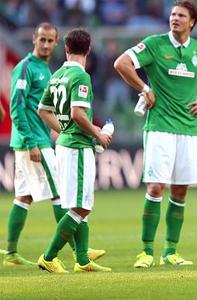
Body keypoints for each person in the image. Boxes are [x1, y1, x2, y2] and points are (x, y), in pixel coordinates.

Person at [114, 0, 197, 268]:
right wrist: (143, 88)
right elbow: (121, 63)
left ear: (192, 22)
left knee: (181, 192)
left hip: (189, 130)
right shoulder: (155, 44)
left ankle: (170, 251)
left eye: (181, 15)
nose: (175, 18)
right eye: (172, 14)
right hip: (159, 128)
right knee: (156, 186)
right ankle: (146, 251)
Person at [4, 23, 105, 266]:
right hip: (34, 141)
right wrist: (31, 142)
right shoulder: (27, 67)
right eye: (42, 40)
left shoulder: (52, 71)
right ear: (33, 39)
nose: (46, 44)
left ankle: (11, 253)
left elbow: (43, 109)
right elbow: (16, 107)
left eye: (51, 40)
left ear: (60, 44)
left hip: (44, 140)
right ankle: (72, 253)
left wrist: (62, 131)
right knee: (62, 196)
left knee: (24, 196)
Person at [37, 28, 112, 273]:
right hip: (78, 148)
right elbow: (78, 114)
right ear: (88, 50)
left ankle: (82, 260)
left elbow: (43, 110)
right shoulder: (81, 77)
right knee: (82, 206)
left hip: (66, 145)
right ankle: (49, 257)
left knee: (77, 205)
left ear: (66, 49)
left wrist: (64, 129)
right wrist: (97, 133)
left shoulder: (57, 75)